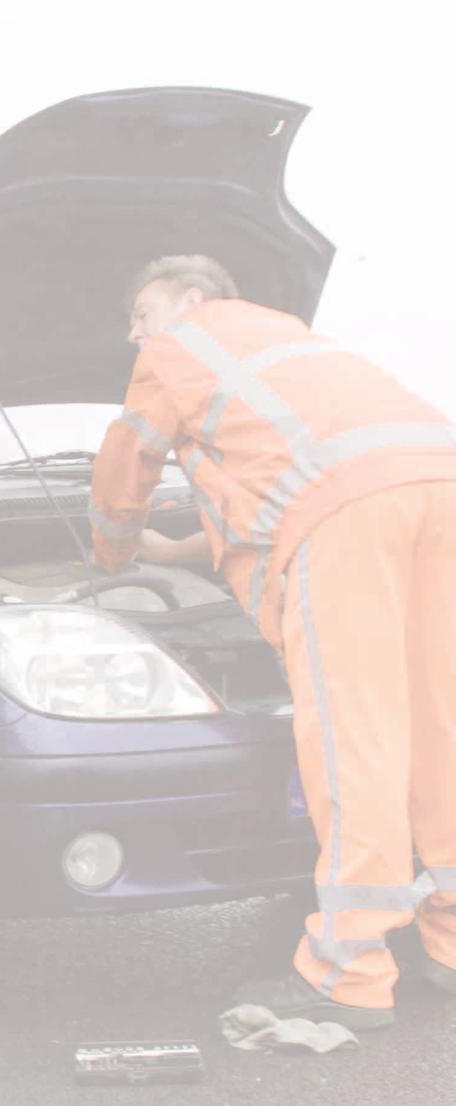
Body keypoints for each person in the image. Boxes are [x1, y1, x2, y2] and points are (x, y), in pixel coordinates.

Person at [89, 254, 456, 1029]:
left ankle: (348, 973)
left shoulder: (179, 345)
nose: (133, 332)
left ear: (190, 299)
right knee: (440, 723)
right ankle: (452, 943)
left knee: (355, 731)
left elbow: (127, 462)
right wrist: (178, 549)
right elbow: (279, 493)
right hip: (436, 488)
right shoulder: (287, 345)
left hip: (351, 522)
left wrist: (111, 552)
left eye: (141, 311)